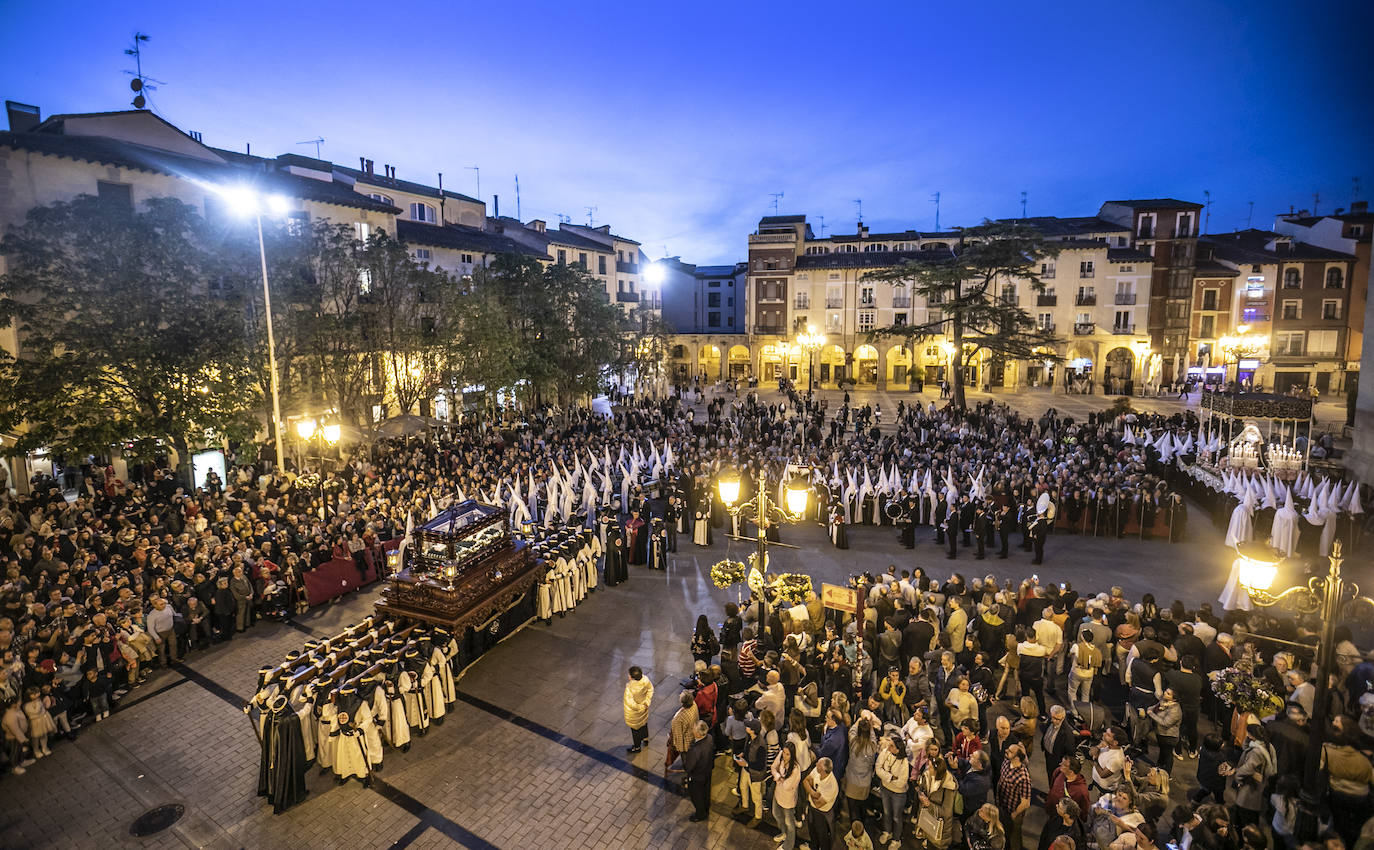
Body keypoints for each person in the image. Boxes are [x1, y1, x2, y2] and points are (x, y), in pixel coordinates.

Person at [875, 733, 909, 848]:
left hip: (898, 794)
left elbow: (901, 783)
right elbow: (878, 768)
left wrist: (886, 776)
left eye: (892, 746)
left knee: (896, 817)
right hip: (885, 789)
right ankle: (887, 832)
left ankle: (896, 839)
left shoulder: (904, 762)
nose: (888, 748)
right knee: (886, 813)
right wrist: (891, 777)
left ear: (898, 750)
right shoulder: (886, 752)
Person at [997, 743, 1032, 850]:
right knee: (1003, 832)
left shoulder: (1023, 777)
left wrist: (1014, 814)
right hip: (1002, 806)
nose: (1006, 750)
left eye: (1010, 751)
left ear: (1017, 757)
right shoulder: (1006, 762)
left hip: (1013, 812)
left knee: (1014, 838)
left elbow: (1026, 803)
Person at [804, 756, 839, 850]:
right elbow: (805, 781)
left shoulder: (831, 785)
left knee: (822, 836)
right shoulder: (817, 770)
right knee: (812, 831)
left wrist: (809, 789)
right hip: (812, 808)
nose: (815, 765)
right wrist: (813, 793)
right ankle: (813, 847)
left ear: (823, 770)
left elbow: (818, 804)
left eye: (818, 765)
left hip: (822, 814)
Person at [772, 740, 802, 850]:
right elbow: (773, 767)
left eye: (787, 754)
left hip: (788, 800)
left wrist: (778, 777)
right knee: (776, 814)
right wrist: (778, 775)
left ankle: (788, 845)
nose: (785, 756)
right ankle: (783, 833)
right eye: (784, 752)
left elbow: (786, 786)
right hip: (778, 794)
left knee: (789, 823)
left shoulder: (795, 769)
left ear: (792, 755)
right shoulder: (781, 757)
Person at [682, 720, 714, 822]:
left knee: (696, 795)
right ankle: (706, 808)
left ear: (697, 734)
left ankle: (700, 814)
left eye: (693, 729)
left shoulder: (695, 750)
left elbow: (689, 766)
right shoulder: (709, 738)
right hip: (707, 772)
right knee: (706, 792)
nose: (692, 730)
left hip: (697, 776)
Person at [666, 691, 699, 774]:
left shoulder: (679, 719)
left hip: (686, 743)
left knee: (686, 759)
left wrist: (679, 748)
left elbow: (679, 736)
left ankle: (688, 772)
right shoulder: (694, 705)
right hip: (693, 736)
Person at [623, 666, 653, 754]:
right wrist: (646, 702)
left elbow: (630, 703)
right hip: (644, 708)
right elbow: (650, 689)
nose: (628, 676)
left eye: (629, 675)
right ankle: (645, 738)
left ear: (632, 677)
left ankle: (637, 747)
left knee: (635, 730)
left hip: (634, 713)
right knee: (643, 723)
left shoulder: (629, 688)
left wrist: (639, 707)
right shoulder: (645, 680)